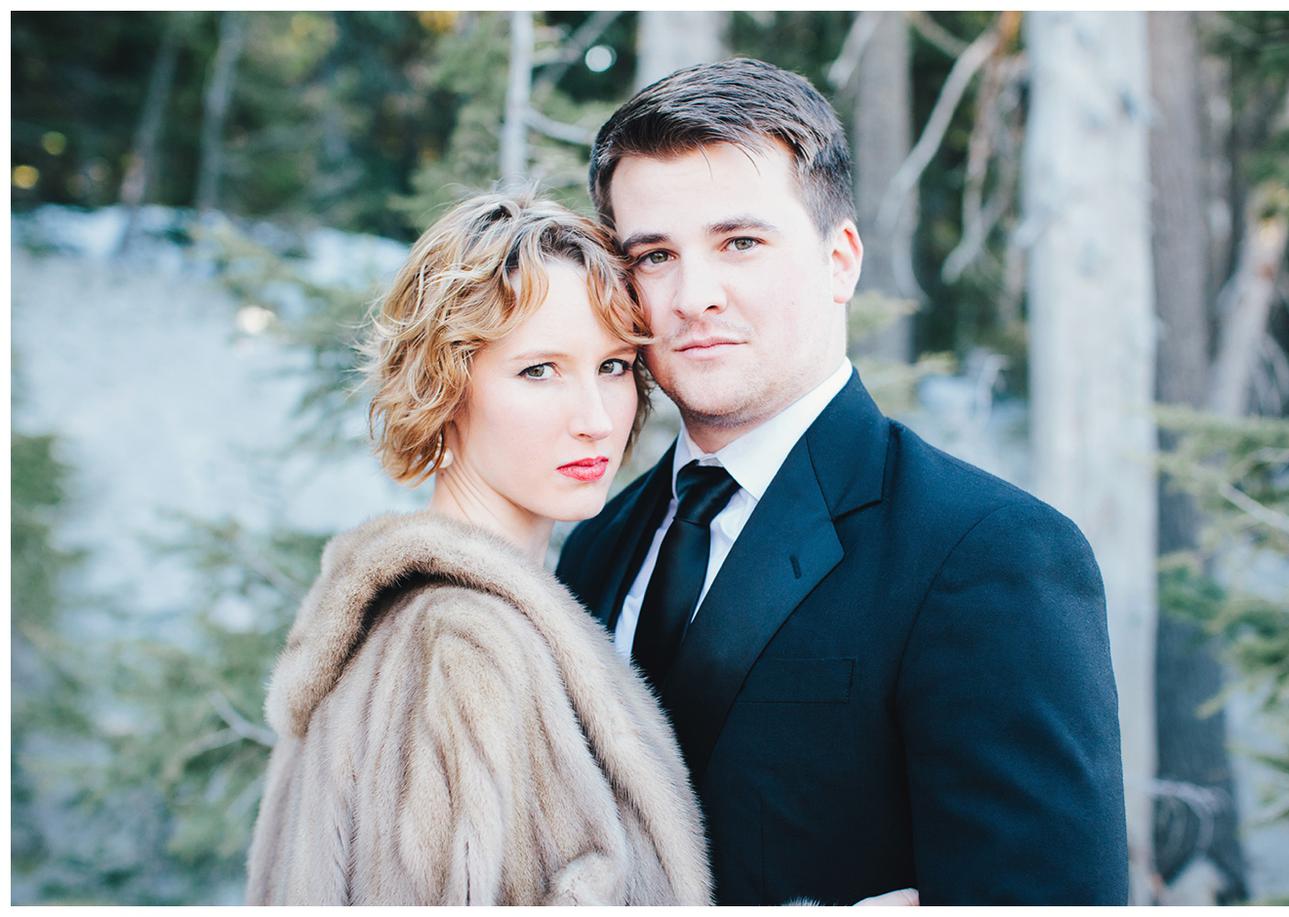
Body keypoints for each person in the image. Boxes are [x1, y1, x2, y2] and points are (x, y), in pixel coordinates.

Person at [556, 58, 1129, 905]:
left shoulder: (989, 554)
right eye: (655, 255)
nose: (693, 295)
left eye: (740, 243)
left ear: (841, 260)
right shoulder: (598, 543)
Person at [245, 192, 712, 905]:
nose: (595, 418)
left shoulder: (420, 618)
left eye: (614, 366)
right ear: (445, 387)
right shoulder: (464, 644)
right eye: (539, 370)